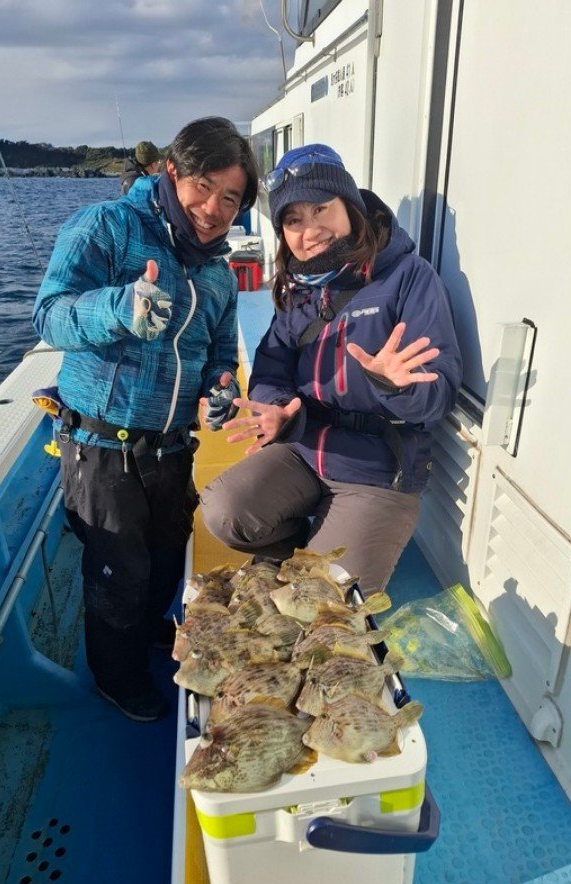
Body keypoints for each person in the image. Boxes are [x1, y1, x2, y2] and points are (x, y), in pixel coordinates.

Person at [32, 117, 257, 722]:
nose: (213, 209)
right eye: (204, 186)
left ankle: (147, 631)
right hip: (100, 442)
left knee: (165, 557)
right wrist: (118, 307)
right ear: (172, 172)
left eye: (230, 198)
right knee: (118, 571)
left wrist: (221, 387)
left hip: (173, 445)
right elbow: (49, 314)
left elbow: (218, 354)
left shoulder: (216, 273)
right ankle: (117, 676)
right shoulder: (106, 227)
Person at [199, 144, 462, 594]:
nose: (311, 229)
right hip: (303, 450)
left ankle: (327, 552)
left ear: (351, 207)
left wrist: (394, 386)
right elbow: (270, 368)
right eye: (293, 220)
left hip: (378, 471)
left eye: (322, 208)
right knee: (224, 511)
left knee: (329, 605)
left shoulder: (409, 276)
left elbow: (437, 399)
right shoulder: (300, 287)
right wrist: (279, 410)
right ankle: (300, 548)